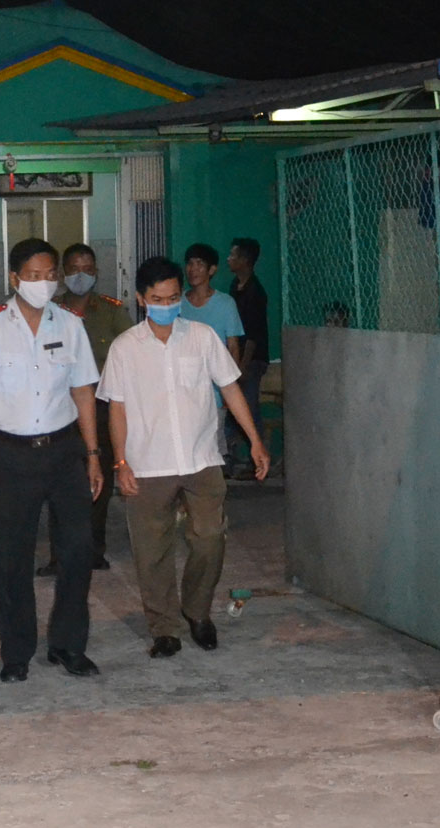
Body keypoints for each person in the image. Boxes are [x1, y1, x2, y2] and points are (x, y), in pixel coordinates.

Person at [98, 256, 269, 658]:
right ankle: (164, 628)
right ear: (142, 299)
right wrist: (120, 461)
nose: (167, 305)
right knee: (151, 552)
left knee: (210, 539)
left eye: (173, 298)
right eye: (158, 299)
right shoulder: (125, 348)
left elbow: (229, 388)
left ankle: (196, 610)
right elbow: (117, 408)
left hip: (201, 458)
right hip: (147, 463)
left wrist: (255, 440)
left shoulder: (202, 337)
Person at [0, 237, 105, 683]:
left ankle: (68, 645)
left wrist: (93, 455)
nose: (44, 283)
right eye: (34, 276)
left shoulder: (70, 324)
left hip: (64, 453)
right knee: (12, 557)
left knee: (77, 552)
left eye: (50, 275)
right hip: (11, 456)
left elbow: (83, 391)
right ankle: (16, 652)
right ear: (14, 279)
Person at [36, 242, 134, 577]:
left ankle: (93, 550)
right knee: (59, 485)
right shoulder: (49, 312)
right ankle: (59, 556)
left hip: (101, 408)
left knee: (98, 482)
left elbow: (131, 356)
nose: (81, 275)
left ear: (97, 273)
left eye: (88, 269)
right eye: (75, 269)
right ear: (64, 274)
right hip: (59, 410)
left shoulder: (112, 312)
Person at [178, 243, 244, 462]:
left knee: (212, 448)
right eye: (190, 264)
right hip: (185, 387)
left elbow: (233, 347)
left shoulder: (225, 304)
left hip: (215, 389)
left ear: (212, 270)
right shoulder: (178, 304)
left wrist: (229, 388)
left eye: (199, 264)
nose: (193, 269)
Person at [226, 237, 270, 472]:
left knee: (249, 408)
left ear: (245, 260)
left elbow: (253, 335)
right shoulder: (236, 286)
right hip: (238, 359)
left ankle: (258, 460)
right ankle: (232, 457)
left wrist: (242, 366)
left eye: (233, 255)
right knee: (233, 408)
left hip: (251, 360)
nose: (229, 259)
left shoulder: (255, 292)